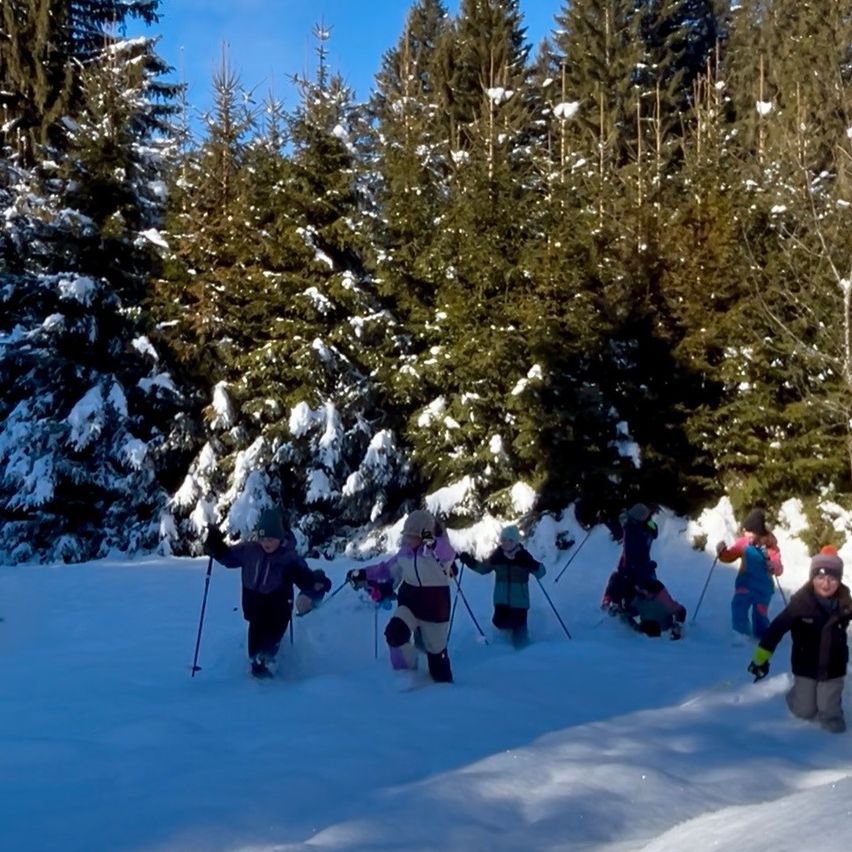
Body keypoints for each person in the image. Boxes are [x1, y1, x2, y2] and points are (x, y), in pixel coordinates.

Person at [205, 508, 331, 678]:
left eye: (271, 539)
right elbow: (229, 558)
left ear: (280, 537)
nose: (267, 543)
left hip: (278, 606)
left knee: (271, 639)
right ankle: (257, 666)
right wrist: (217, 547)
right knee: (255, 642)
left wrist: (316, 582)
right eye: (263, 538)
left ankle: (267, 672)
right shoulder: (250, 550)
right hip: (254, 605)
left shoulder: (288, 556)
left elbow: (304, 577)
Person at [748, 546, 852, 733]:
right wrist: (760, 658)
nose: (826, 583)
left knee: (829, 713)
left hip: (833, 666)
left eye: (832, 578)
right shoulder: (801, 604)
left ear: (839, 579)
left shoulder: (845, 604)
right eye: (820, 577)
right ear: (812, 578)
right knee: (804, 711)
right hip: (806, 665)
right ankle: (796, 694)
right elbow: (776, 629)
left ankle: (832, 721)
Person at [347, 509, 456, 683]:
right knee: (394, 634)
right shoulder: (404, 554)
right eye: (406, 535)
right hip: (410, 604)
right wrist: (363, 574)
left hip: (435, 609)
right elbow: (385, 570)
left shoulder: (436, 553)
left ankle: (443, 691)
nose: (407, 540)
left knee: (437, 657)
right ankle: (406, 675)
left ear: (423, 536)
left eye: (412, 536)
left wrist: (432, 541)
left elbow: (447, 555)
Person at [457, 525, 546, 648]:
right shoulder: (498, 556)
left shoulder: (523, 557)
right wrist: (470, 561)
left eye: (509, 540)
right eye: (503, 540)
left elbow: (541, 573)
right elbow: (483, 569)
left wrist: (533, 564)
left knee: (520, 637)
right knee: (500, 625)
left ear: (515, 542)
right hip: (501, 601)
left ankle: (526, 657)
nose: (505, 543)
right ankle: (503, 655)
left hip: (520, 602)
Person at [717, 508, 783, 640]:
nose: (747, 535)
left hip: (763, 588)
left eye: (750, 533)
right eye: (745, 532)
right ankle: (740, 634)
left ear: (759, 533)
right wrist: (722, 553)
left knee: (759, 613)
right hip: (745, 582)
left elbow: (779, 567)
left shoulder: (770, 547)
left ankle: (763, 636)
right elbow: (730, 555)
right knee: (738, 605)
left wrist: (773, 566)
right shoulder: (743, 543)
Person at [601, 502, 659, 614]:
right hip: (642, 563)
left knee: (620, 580)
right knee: (626, 581)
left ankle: (616, 603)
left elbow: (619, 527)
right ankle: (617, 602)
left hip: (632, 564)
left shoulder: (632, 530)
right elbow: (653, 528)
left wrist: (605, 519)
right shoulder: (647, 527)